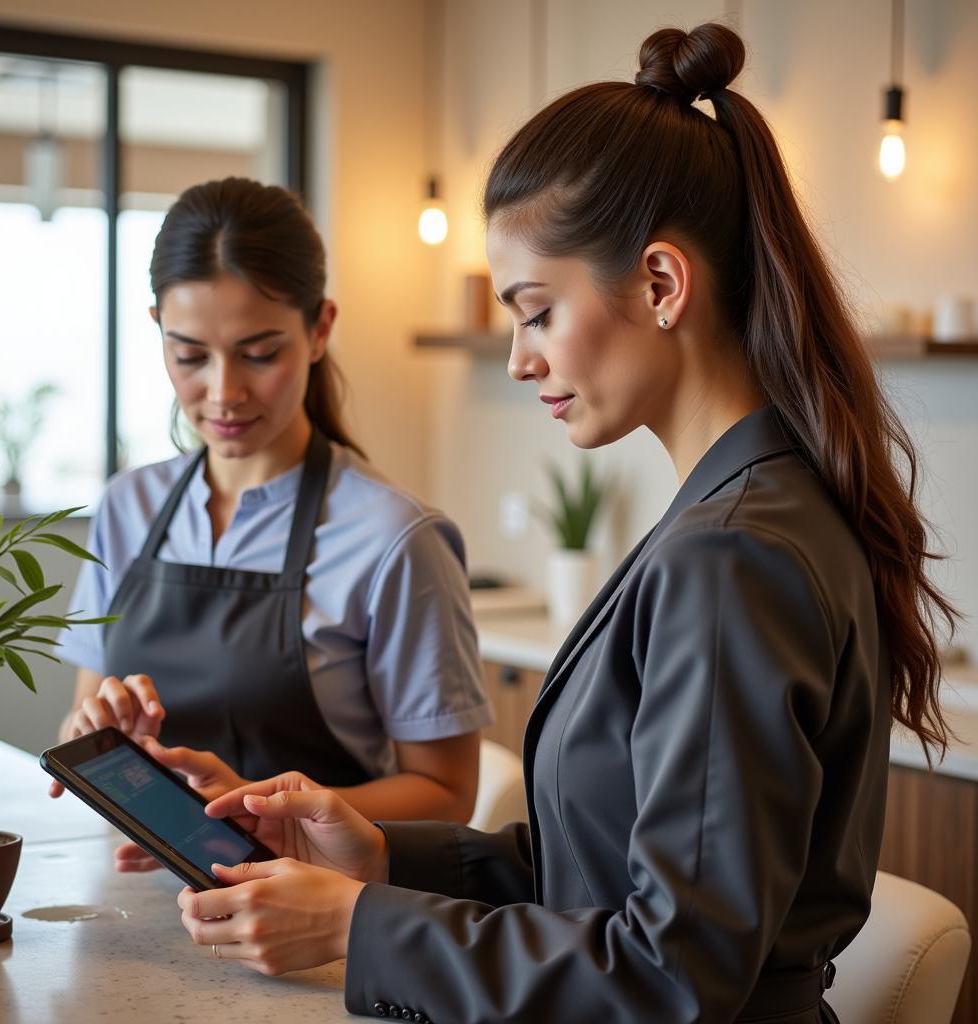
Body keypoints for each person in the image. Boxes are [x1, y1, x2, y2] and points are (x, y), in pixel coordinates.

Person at [157, 24, 955, 1023]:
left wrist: (354, 927)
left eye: (535, 311)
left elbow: (673, 969)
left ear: (662, 285)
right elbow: (597, 867)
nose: (520, 359)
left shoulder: (731, 552)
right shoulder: (741, 511)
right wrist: (376, 858)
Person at [52, 177, 492, 824]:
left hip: (314, 908)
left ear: (319, 330)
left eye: (259, 354)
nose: (224, 392)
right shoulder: (127, 508)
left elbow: (447, 796)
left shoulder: (394, 537)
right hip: (137, 888)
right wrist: (94, 732)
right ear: (158, 332)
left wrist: (261, 811)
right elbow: (80, 723)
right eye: (190, 355)